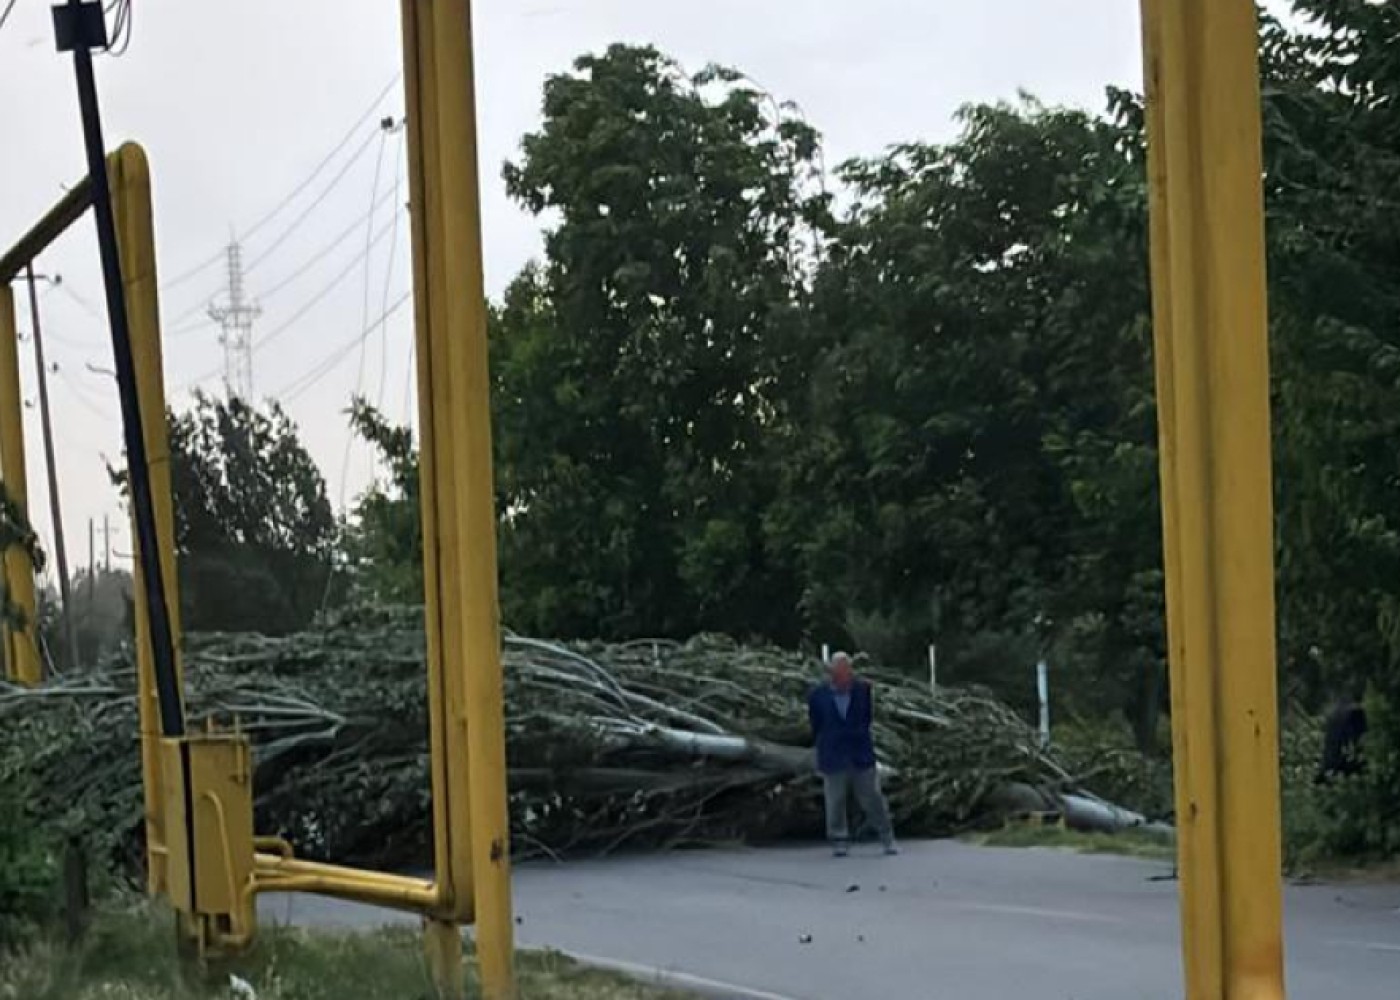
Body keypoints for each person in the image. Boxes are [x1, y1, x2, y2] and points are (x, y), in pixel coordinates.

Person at [807, 651, 897, 857]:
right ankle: (839, 839)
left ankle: (887, 837)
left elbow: (866, 719)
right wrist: (825, 743)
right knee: (835, 799)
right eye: (839, 673)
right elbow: (816, 724)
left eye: (847, 672)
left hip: (860, 753)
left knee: (872, 798)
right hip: (833, 753)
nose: (843, 677)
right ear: (832, 673)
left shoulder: (862, 690)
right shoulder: (817, 695)